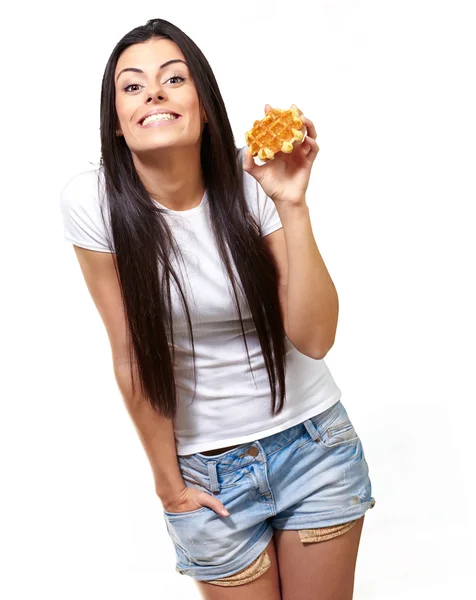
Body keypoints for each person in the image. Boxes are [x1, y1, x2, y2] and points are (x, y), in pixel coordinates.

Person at [59, 18, 375, 600]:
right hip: (208, 473)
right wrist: (169, 487)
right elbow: (131, 355)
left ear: (203, 105)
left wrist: (293, 203)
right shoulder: (94, 202)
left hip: (314, 446)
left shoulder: (252, 179)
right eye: (131, 86)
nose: (153, 92)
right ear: (118, 124)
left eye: (173, 78)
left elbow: (315, 337)